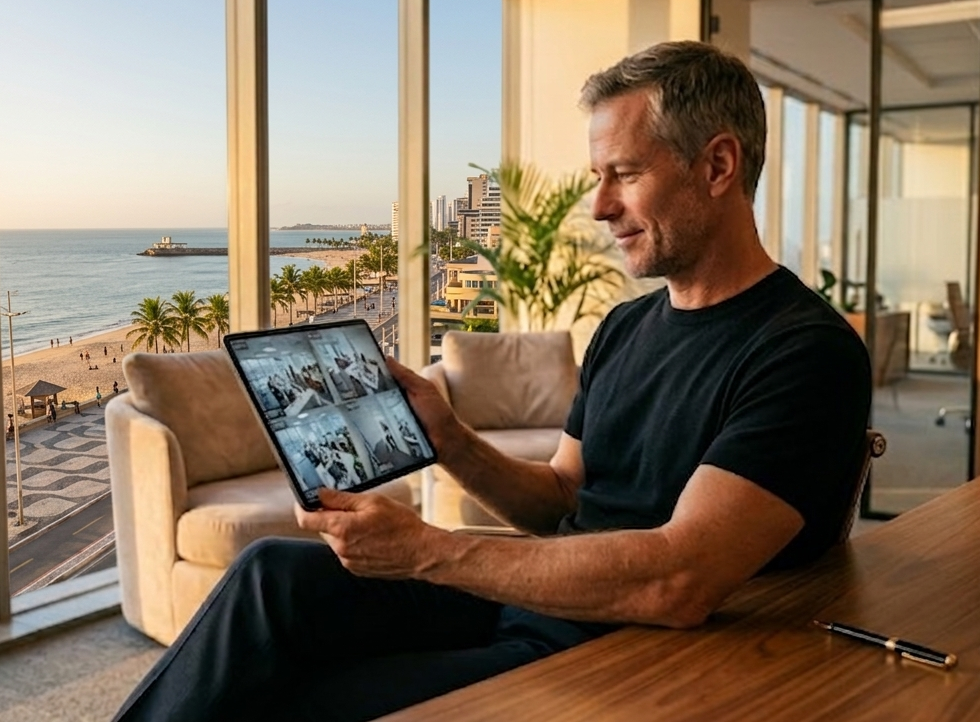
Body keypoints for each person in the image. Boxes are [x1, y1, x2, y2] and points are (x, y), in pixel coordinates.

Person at [116, 42, 872, 722]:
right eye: (595, 178)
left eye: (625, 174)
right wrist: (447, 438)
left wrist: (426, 550)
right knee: (268, 575)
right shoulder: (624, 327)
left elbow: (676, 579)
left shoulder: (803, 354)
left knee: (289, 698)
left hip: (622, 644)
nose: (600, 207)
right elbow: (563, 502)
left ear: (716, 166)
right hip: (538, 599)